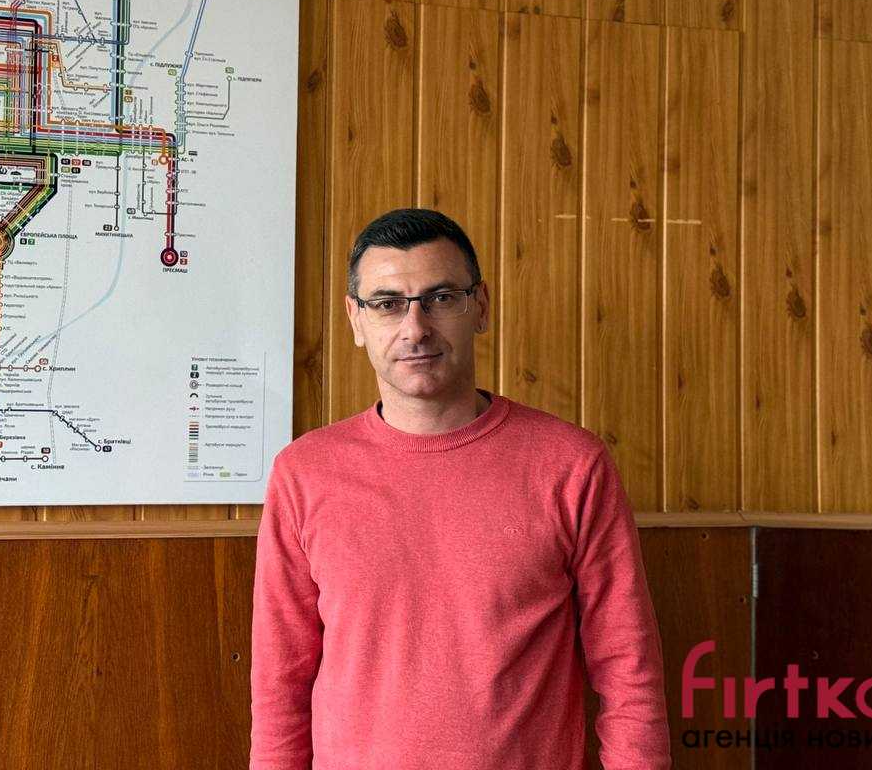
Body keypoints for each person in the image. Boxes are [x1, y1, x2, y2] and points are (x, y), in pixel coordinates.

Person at [249, 207, 672, 770]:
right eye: (387, 303)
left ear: (481, 307)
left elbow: (628, 666)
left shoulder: (571, 465)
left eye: (441, 297)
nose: (415, 327)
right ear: (355, 319)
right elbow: (280, 679)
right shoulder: (304, 473)